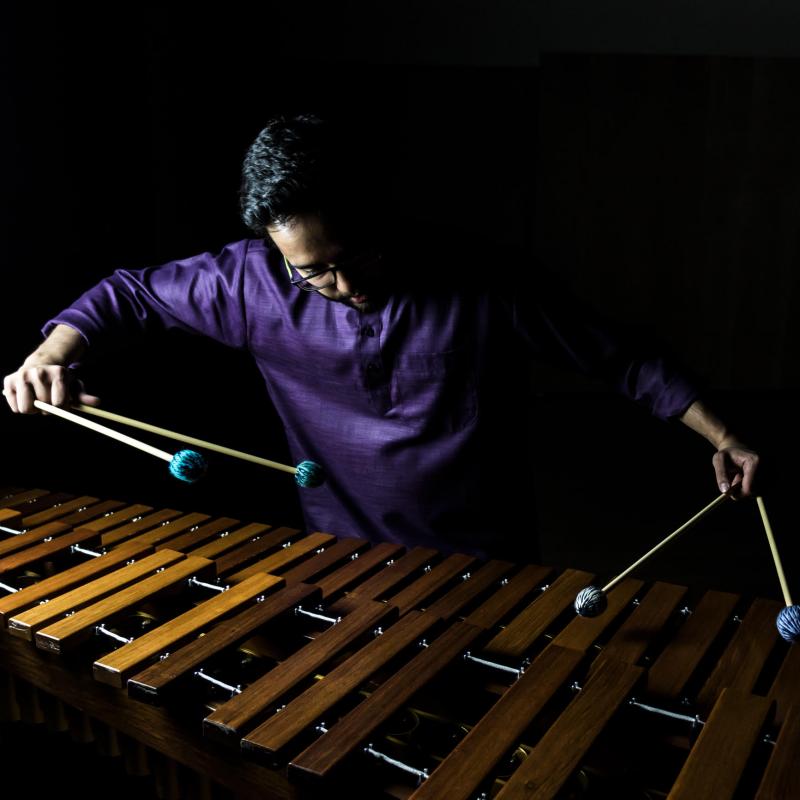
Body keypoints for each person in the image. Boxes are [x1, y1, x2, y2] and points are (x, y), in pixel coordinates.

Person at [3, 113, 759, 560]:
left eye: (353, 258)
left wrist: (721, 434)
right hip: (341, 557)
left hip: (487, 557)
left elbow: (621, 356)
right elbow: (131, 294)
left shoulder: (485, 281)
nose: (344, 286)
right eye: (313, 275)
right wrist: (49, 356)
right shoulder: (249, 283)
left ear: (378, 214)